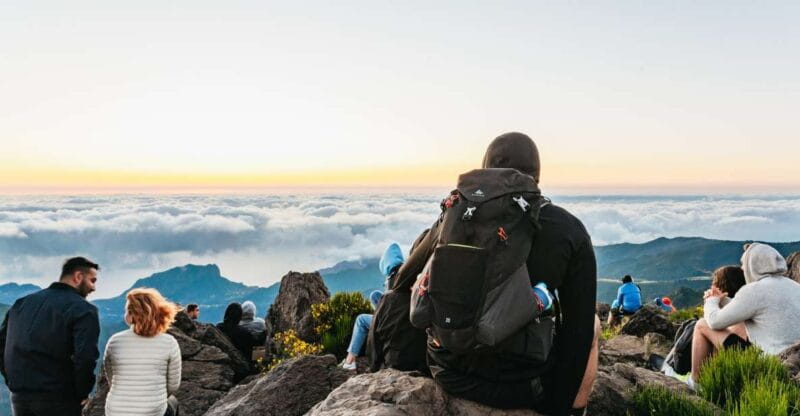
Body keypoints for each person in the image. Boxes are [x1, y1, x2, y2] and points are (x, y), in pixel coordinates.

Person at [405, 132, 599, 416]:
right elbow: (577, 332)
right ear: (537, 177)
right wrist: (556, 407)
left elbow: (405, 280)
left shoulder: (455, 215)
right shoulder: (567, 228)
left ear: (485, 168)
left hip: (447, 371)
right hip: (522, 386)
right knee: (593, 324)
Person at [0, 257, 101, 416]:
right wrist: (82, 393)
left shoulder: (21, 304)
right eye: (92, 280)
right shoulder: (84, 309)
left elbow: (2, 345)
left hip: (20, 399)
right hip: (60, 399)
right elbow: (86, 357)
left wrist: (12, 382)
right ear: (78, 277)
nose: (93, 287)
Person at [690, 243, 800, 385]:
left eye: (744, 263)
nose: (742, 268)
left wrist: (711, 300)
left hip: (772, 363)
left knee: (702, 325)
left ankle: (696, 384)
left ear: (753, 264)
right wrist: (721, 300)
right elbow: (753, 308)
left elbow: (714, 321)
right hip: (795, 360)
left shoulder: (754, 290)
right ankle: (715, 377)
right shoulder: (794, 286)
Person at [103, 288, 181, 416]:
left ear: (132, 315)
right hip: (153, 412)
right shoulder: (169, 342)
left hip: (116, 411)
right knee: (173, 402)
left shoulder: (114, 341)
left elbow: (111, 379)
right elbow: (173, 386)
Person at [367, 232, 432, 374]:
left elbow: (373, 344)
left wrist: (375, 371)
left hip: (395, 365)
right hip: (426, 366)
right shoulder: (429, 296)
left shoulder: (386, 301)